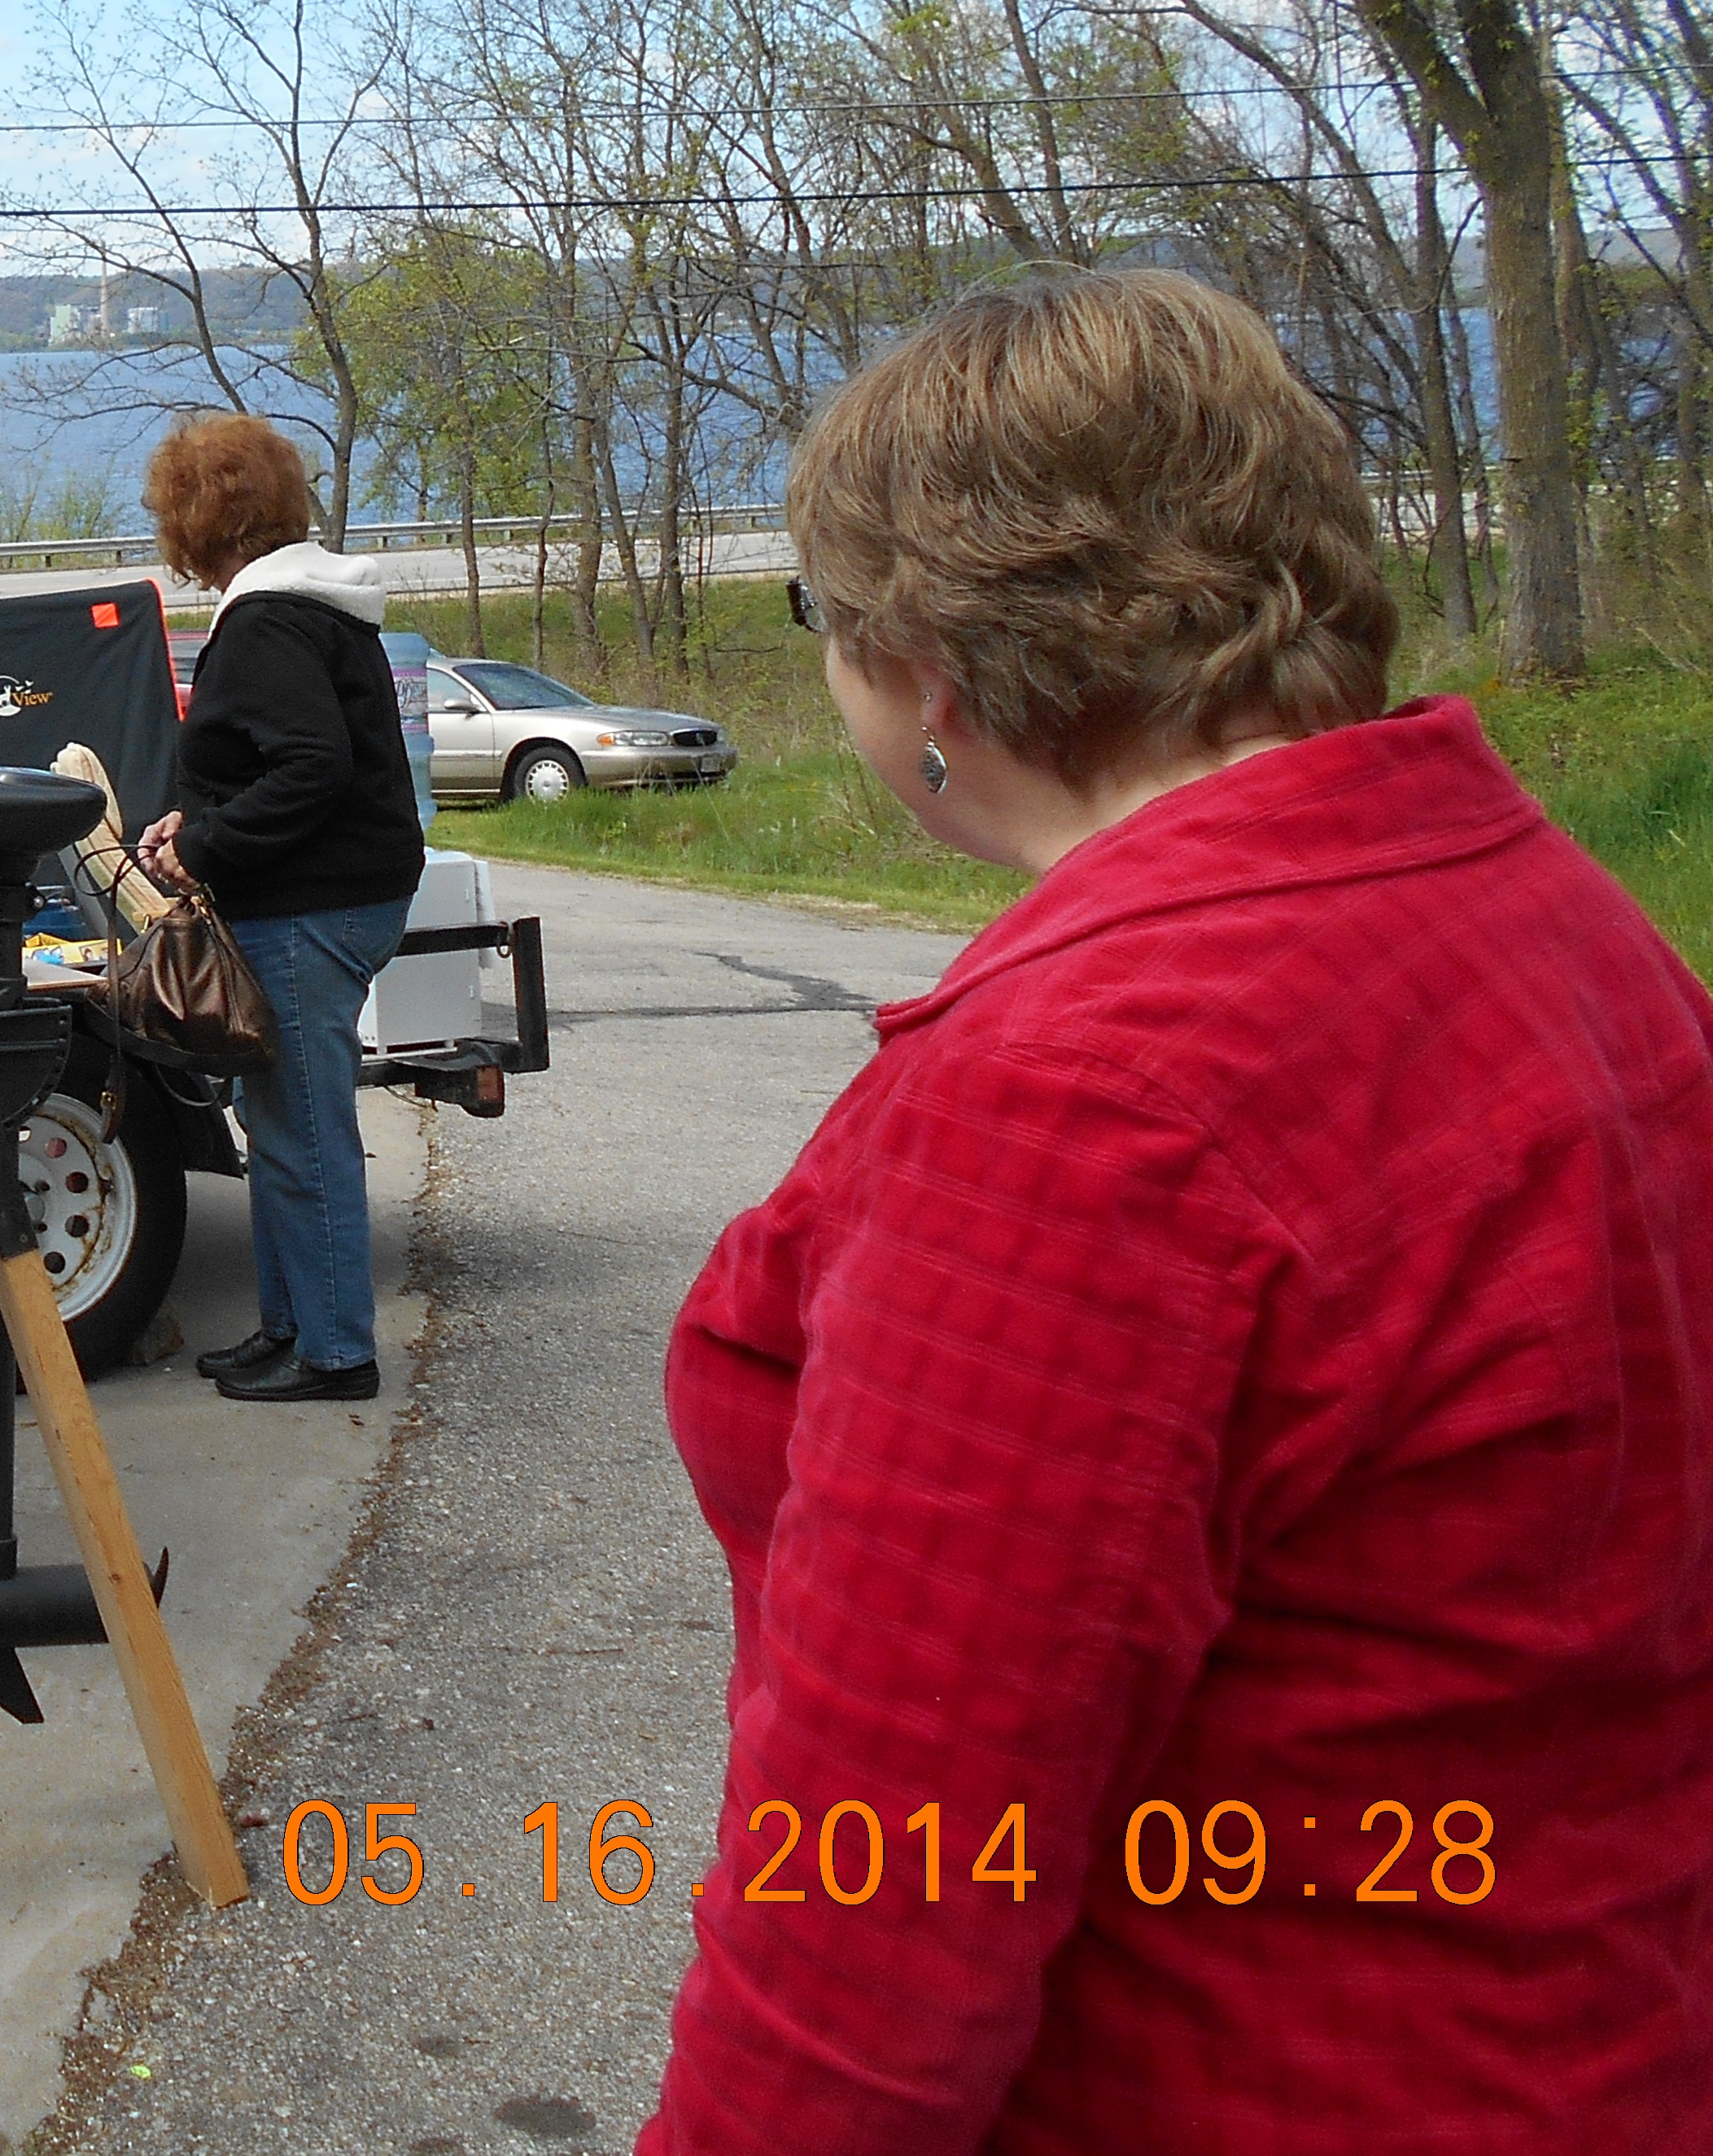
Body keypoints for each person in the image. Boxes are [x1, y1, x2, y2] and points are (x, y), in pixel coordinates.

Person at [648, 269, 1713, 2147]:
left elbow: (877, 1926)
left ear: (936, 670)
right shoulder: (1559, 918)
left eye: (822, 617)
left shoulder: (1081, 1103)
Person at [128, 415, 422, 1405]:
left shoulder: (264, 623)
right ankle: (286, 1326)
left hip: (307, 906)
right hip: (339, 893)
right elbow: (287, 757)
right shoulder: (316, 610)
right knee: (279, 1124)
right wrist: (199, 814)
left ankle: (336, 1352)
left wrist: (205, 844)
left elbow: (309, 767)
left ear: (201, 521)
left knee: (300, 1132)